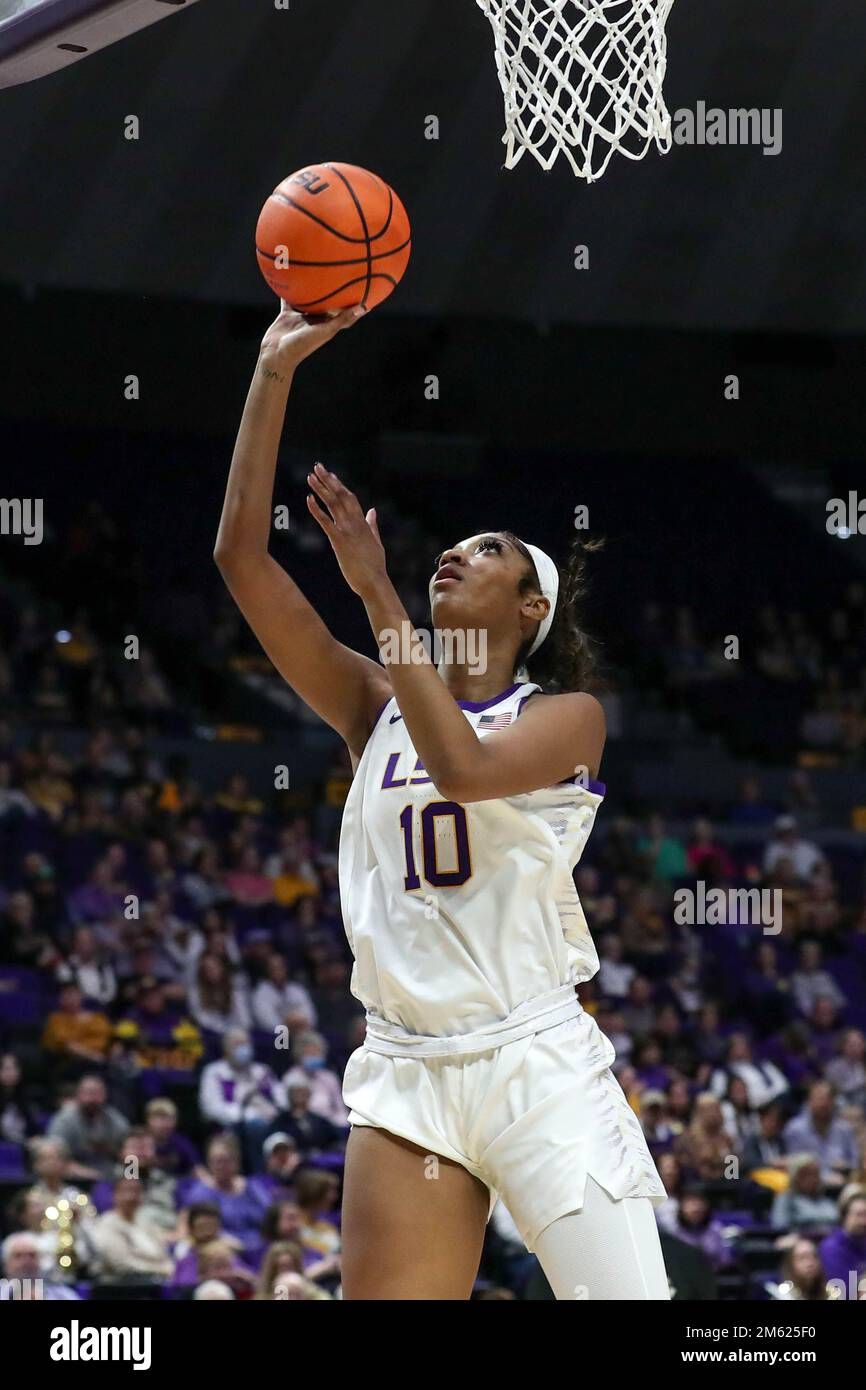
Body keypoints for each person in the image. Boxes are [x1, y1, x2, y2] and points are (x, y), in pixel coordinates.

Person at [214, 305, 668, 1299]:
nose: (453, 553)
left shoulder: (566, 718)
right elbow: (241, 562)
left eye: (488, 547)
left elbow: (461, 769)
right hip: (405, 1068)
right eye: (448, 546)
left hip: (533, 1059)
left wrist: (380, 600)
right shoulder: (370, 700)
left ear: (530, 607)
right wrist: (272, 370)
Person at [46, 1074, 130, 1180]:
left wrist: (132, 1178)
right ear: (78, 1095)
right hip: (73, 1178)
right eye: (88, 1093)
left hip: (111, 1176)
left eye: (97, 1093)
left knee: (134, 1158)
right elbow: (53, 1155)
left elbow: (130, 1153)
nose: (92, 1099)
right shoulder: (64, 1120)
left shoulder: (115, 1120)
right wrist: (91, 1175)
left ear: (105, 1095)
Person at [90, 1178, 173, 1283]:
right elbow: (122, 1264)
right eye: (127, 1191)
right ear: (115, 1195)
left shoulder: (146, 1222)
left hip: (155, 1280)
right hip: (122, 1285)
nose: (132, 1196)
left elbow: (162, 1253)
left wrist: (170, 1268)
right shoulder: (108, 1223)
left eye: (137, 1191)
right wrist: (161, 1269)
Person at [818, 1190, 866, 1294]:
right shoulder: (831, 1247)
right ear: (845, 1216)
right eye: (859, 1215)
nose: (864, 1221)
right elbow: (844, 1291)